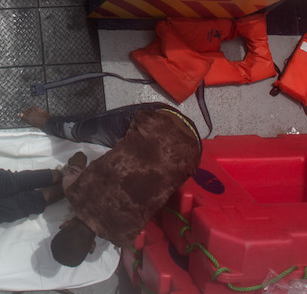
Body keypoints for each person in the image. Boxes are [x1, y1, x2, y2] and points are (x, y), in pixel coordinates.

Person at [19, 103, 202, 267]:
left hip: (193, 151)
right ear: (64, 224)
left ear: (92, 247)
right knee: (79, 131)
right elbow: (80, 156)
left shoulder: (124, 236)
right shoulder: (73, 190)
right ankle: (53, 124)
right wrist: (73, 168)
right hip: (161, 118)